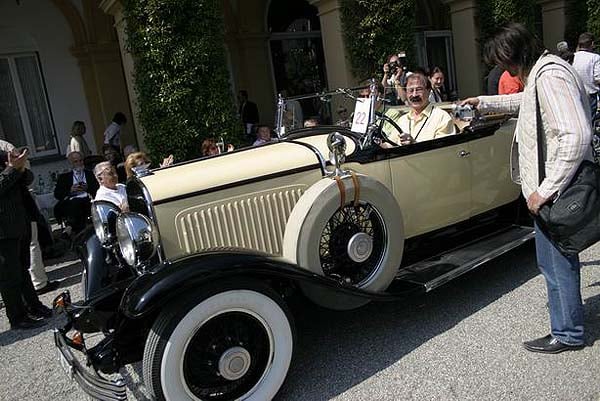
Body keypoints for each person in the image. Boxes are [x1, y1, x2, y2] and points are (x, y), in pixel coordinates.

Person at [462, 23, 592, 354]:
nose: (504, 68)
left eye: (503, 60)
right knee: (556, 262)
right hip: (553, 190)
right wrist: (484, 103)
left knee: (557, 263)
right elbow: (528, 101)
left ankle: (567, 333)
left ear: (514, 52)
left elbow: (576, 136)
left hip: (556, 193)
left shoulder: (549, 75)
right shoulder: (542, 73)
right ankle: (567, 326)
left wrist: (545, 190)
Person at [0, 148, 52, 330]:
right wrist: (12, 169)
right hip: (3, 232)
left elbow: (28, 179)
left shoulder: (2, 155)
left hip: (19, 224)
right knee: (9, 277)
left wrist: (19, 167)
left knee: (23, 270)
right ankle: (17, 317)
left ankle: (34, 306)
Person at [383, 73, 455, 146]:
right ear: (406, 93)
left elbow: (443, 150)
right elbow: (389, 145)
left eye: (419, 90)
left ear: (429, 91)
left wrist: (414, 144)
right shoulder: (402, 120)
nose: (414, 95)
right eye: (411, 90)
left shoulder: (442, 117)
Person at [54, 151, 99, 234]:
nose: (79, 163)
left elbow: (98, 189)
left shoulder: (90, 174)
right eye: (76, 161)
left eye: (80, 161)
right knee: (75, 203)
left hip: (88, 200)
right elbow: (57, 194)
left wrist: (87, 188)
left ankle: (70, 227)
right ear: (71, 163)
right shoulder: (64, 177)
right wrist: (70, 191)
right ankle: (80, 231)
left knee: (79, 204)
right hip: (72, 202)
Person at [572, 32, 600, 122]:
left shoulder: (572, 57)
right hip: (590, 94)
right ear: (592, 44)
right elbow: (598, 78)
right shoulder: (595, 57)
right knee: (589, 121)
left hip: (575, 92)